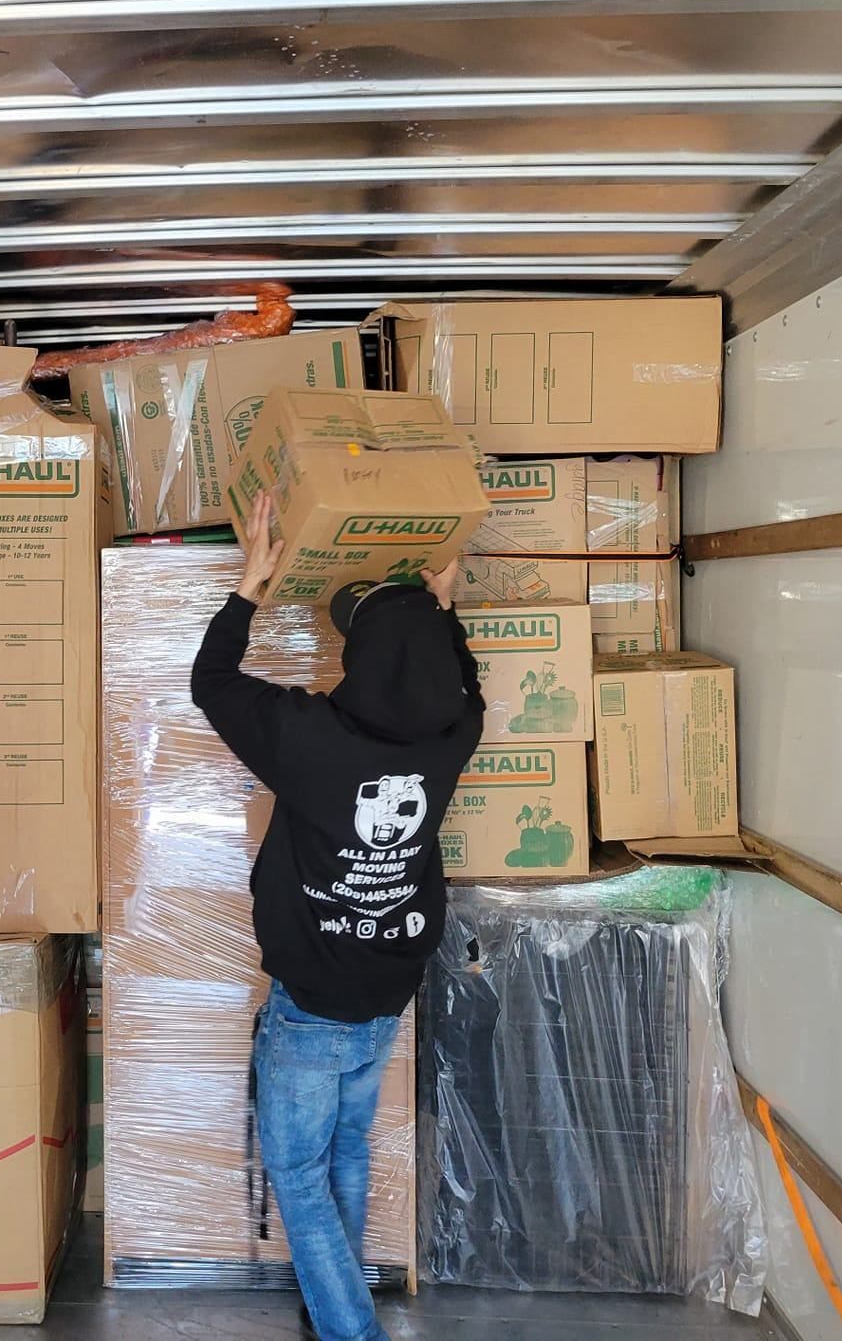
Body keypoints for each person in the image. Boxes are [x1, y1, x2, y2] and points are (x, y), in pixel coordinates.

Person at [190, 493, 484, 1341]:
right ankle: (334, 1313)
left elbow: (210, 682)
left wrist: (252, 582)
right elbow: (463, 682)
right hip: (390, 986)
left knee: (296, 1171)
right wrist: (446, 614)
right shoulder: (454, 736)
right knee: (344, 1150)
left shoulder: (307, 738)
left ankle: (350, 1332)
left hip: (313, 1001)